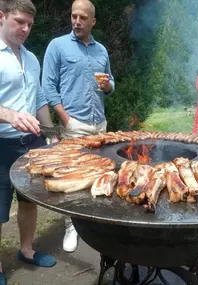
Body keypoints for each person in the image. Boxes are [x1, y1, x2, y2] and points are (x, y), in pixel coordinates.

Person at [42, 0, 115, 253]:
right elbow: (48, 87)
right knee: (71, 176)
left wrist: (108, 86)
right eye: (74, 16)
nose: (77, 21)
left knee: (98, 172)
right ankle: (71, 226)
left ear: (93, 21)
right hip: (74, 124)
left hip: (100, 123)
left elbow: (110, 81)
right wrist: (66, 120)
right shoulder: (58, 46)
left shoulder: (101, 50)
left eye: (83, 17)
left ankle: (94, 222)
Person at [0, 0, 57, 284]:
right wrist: (8, 114)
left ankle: (26, 250)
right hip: (1, 144)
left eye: (29, 25)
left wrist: (51, 135)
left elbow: (40, 102)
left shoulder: (32, 59)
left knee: (29, 201)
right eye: (19, 22)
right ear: (1, 16)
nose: (25, 29)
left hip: (31, 143)